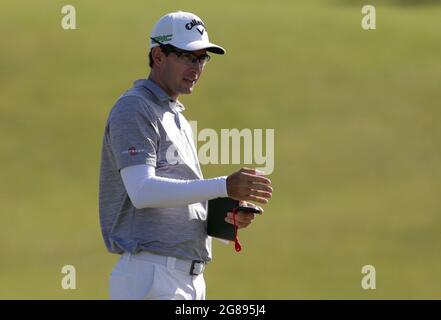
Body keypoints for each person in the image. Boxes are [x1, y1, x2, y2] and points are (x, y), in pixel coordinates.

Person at [98, 11, 273, 300]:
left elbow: (178, 195)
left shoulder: (173, 113)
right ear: (158, 56)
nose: (197, 68)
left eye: (202, 58)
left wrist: (222, 212)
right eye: (187, 56)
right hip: (151, 275)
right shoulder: (134, 107)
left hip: (186, 278)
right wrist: (223, 186)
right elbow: (142, 191)